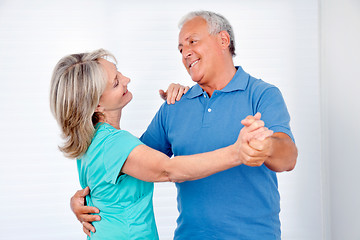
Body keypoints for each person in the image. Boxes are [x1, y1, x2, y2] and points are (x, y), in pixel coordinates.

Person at [71, 11, 298, 239]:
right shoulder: (174, 106)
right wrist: (84, 199)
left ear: (223, 40)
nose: (185, 52)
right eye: (180, 48)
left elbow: (288, 158)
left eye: (192, 41)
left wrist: (265, 147)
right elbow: (133, 167)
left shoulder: (262, 95)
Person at [50, 49, 272, 239]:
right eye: (116, 82)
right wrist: (237, 152)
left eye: (118, 73)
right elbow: (168, 170)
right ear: (97, 103)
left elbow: (105, 187)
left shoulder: (92, 140)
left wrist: (182, 100)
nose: (126, 79)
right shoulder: (114, 143)